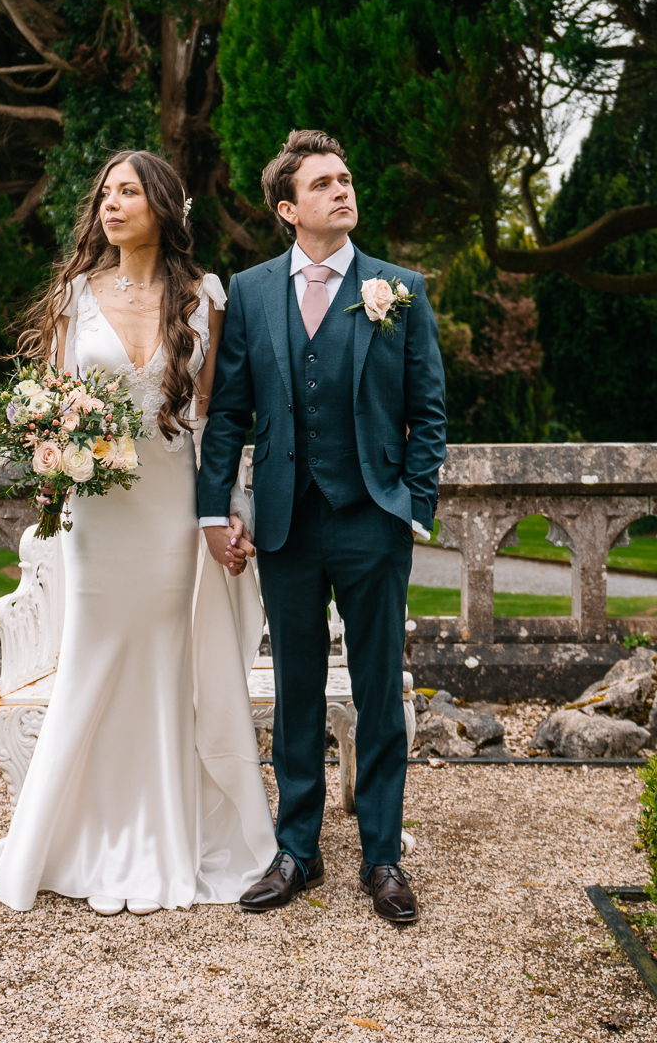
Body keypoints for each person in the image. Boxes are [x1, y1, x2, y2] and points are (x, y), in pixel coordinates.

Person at [0, 149, 276, 915]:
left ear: (163, 206)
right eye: (105, 193)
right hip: (99, 513)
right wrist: (53, 448)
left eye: (128, 192)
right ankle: (68, 836)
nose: (110, 204)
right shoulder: (75, 295)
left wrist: (224, 508)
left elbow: (214, 416)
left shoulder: (205, 297)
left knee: (169, 662)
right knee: (97, 658)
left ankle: (168, 834)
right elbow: (52, 398)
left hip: (174, 506)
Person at [196, 129, 448, 924]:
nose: (342, 191)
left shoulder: (397, 289)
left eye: (346, 178)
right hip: (287, 524)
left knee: (378, 691)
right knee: (298, 689)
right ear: (287, 208)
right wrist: (214, 508)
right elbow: (230, 412)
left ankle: (383, 859)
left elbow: (428, 412)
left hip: (373, 517)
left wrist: (414, 504)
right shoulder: (253, 290)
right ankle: (297, 853)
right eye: (323, 184)